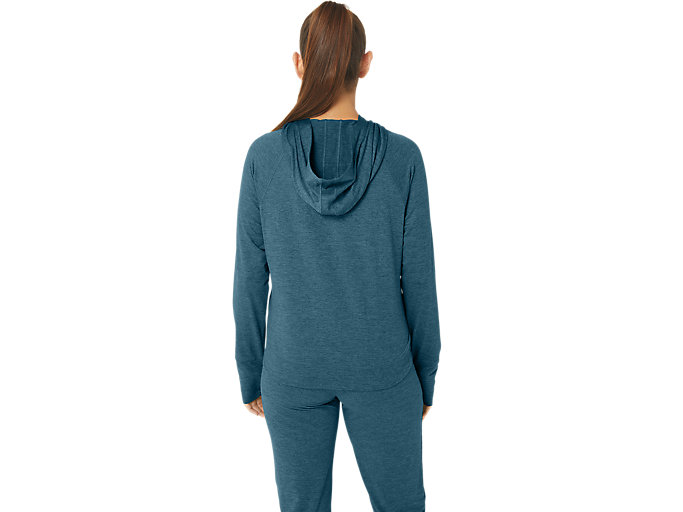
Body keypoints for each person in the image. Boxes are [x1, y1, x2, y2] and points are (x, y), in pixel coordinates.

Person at [233, 2, 441, 511]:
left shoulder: (264, 157)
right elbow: (419, 280)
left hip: (292, 367)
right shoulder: (403, 158)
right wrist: (425, 374)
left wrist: (251, 372)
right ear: (365, 64)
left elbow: (249, 278)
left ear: (299, 64)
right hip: (384, 367)